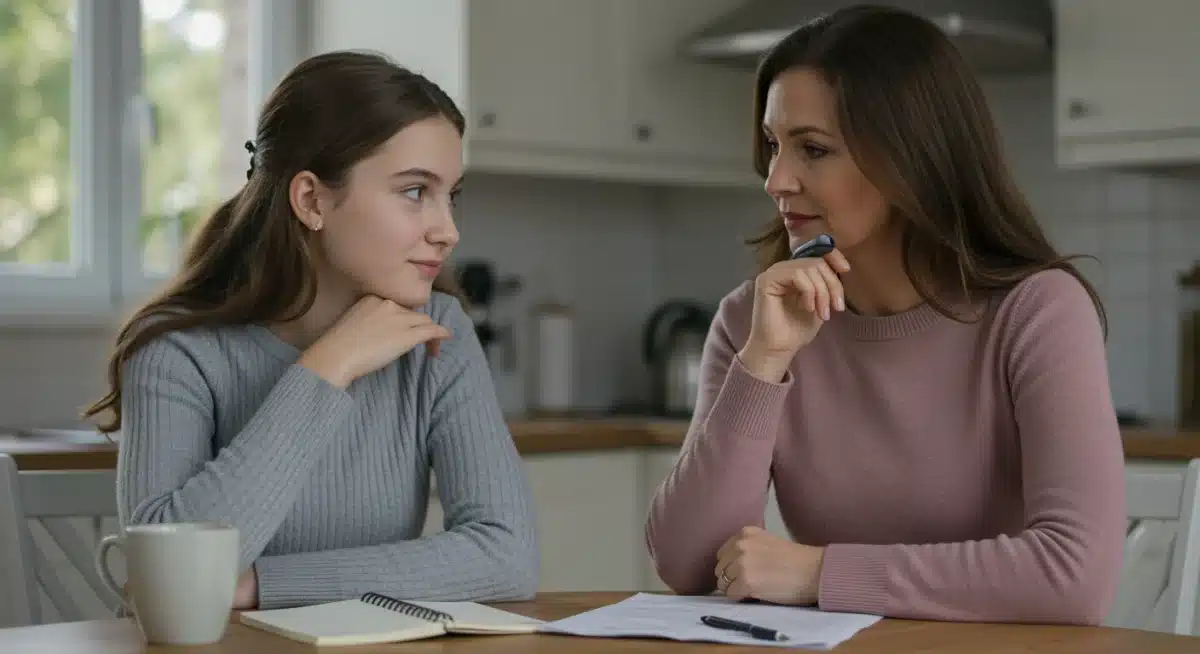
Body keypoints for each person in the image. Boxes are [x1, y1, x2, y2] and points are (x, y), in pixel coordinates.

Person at [644, 5, 1125, 625]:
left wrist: (820, 573)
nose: (775, 179)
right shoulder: (754, 320)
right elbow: (687, 564)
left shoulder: (1037, 311)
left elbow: (1076, 576)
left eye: (812, 149)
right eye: (772, 145)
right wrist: (762, 364)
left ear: (911, 159)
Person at [84, 51, 538, 610]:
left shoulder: (437, 332)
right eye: (415, 192)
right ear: (311, 199)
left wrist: (259, 585)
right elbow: (169, 578)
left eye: (452, 195)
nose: (448, 231)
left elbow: (507, 555)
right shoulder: (176, 351)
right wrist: (328, 368)